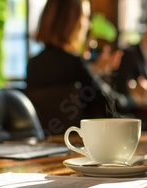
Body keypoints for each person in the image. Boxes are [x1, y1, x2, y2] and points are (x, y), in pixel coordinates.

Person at [26, 0, 122, 134]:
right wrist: (134, 100)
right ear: (69, 21)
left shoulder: (33, 65)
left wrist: (93, 71)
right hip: (79, 144)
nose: (88, 25)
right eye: (85, 17)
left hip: (45, 143)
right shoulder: (75, 63)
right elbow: (111, 104)